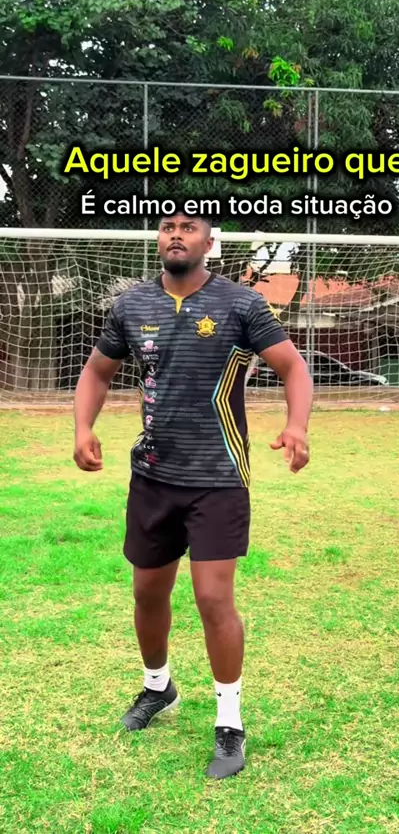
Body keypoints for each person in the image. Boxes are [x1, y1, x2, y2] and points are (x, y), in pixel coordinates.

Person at [73, 211, 313, 780]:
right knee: (147, 592)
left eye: (188, 227)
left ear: (209, 242)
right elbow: (97, 372)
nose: (175, 234)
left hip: (218, 476)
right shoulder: (132, 305)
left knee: (212, 598)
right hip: (153, 475)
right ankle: (158, 687)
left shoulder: (241, 305)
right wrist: (83, 427)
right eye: (166, 227)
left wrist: (297, 425)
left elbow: (294, 368)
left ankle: (230, 723)